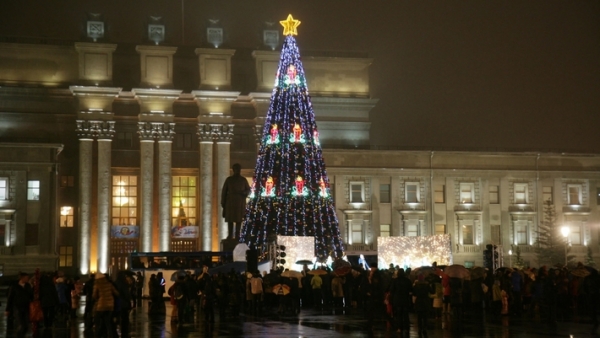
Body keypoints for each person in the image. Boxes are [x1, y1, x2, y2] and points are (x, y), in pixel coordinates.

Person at [221, 163, 251, 239]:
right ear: (233, 170)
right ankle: (230, 235)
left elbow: (248, 190)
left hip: (239, 201)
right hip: (230, 202)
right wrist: (223, 202)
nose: (238, 171)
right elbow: (224, 191)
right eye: (236, 169)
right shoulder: (229, 180)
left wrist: (244, 193)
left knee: (239, 219)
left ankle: (237, 235)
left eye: (239, 169)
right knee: (230, 219)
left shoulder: (243, 180)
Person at [5, 272, 33, 338]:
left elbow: (31, 295)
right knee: (21, 325)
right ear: (22, 278)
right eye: (26, 278)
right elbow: (10, 298)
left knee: (26, 325)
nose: (28, 279)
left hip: (26, 307)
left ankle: (21, 336)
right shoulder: (14, 286)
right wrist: (7, 309)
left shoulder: (28, 286)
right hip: (17, 307)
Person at [93, 273, 119, 338]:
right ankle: (110, 335)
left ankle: (97, 335)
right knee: (108, 321)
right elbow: (116, 293)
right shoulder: (109, 284)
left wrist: (97, 299)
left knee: (97, 321)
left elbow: (94, 295)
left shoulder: (97, 285)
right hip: (110, 305)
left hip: (101, 305)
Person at [389, 268, 412, 335]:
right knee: (405, 315)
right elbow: (410, 290)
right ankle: (407, 328)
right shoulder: (407, 281)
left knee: (399, 315)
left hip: (397, 299)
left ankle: (399, 328)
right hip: (405, 299)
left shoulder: (395, 281)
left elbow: (392, 290)